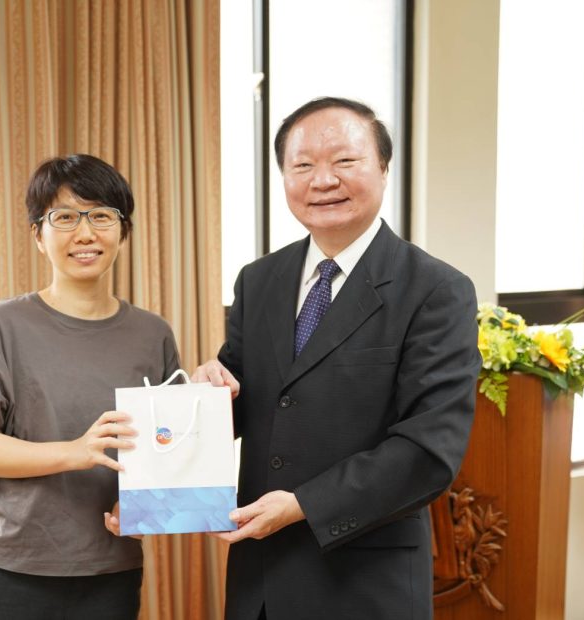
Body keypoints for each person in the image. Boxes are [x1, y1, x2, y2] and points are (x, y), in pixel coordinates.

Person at [195, 97, 481, 619]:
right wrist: (206, 394)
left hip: (364, 582)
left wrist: (303, 505)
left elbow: (428, 450)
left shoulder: (436, 290)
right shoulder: (258, 281)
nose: (323, 180)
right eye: (303, 165)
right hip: (261, 580)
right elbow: (246, 402)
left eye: (345, 161)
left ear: (384, 168)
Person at [0, 154, 180, 619]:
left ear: (123, 231)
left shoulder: (153, 334)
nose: (85, 234)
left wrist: (145, 505)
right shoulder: (1, 325)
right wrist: (75, 451)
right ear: (38, 236)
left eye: (101, 216)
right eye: (65, 218)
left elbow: (165, 450)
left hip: (111, 572)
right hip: (9, 571)